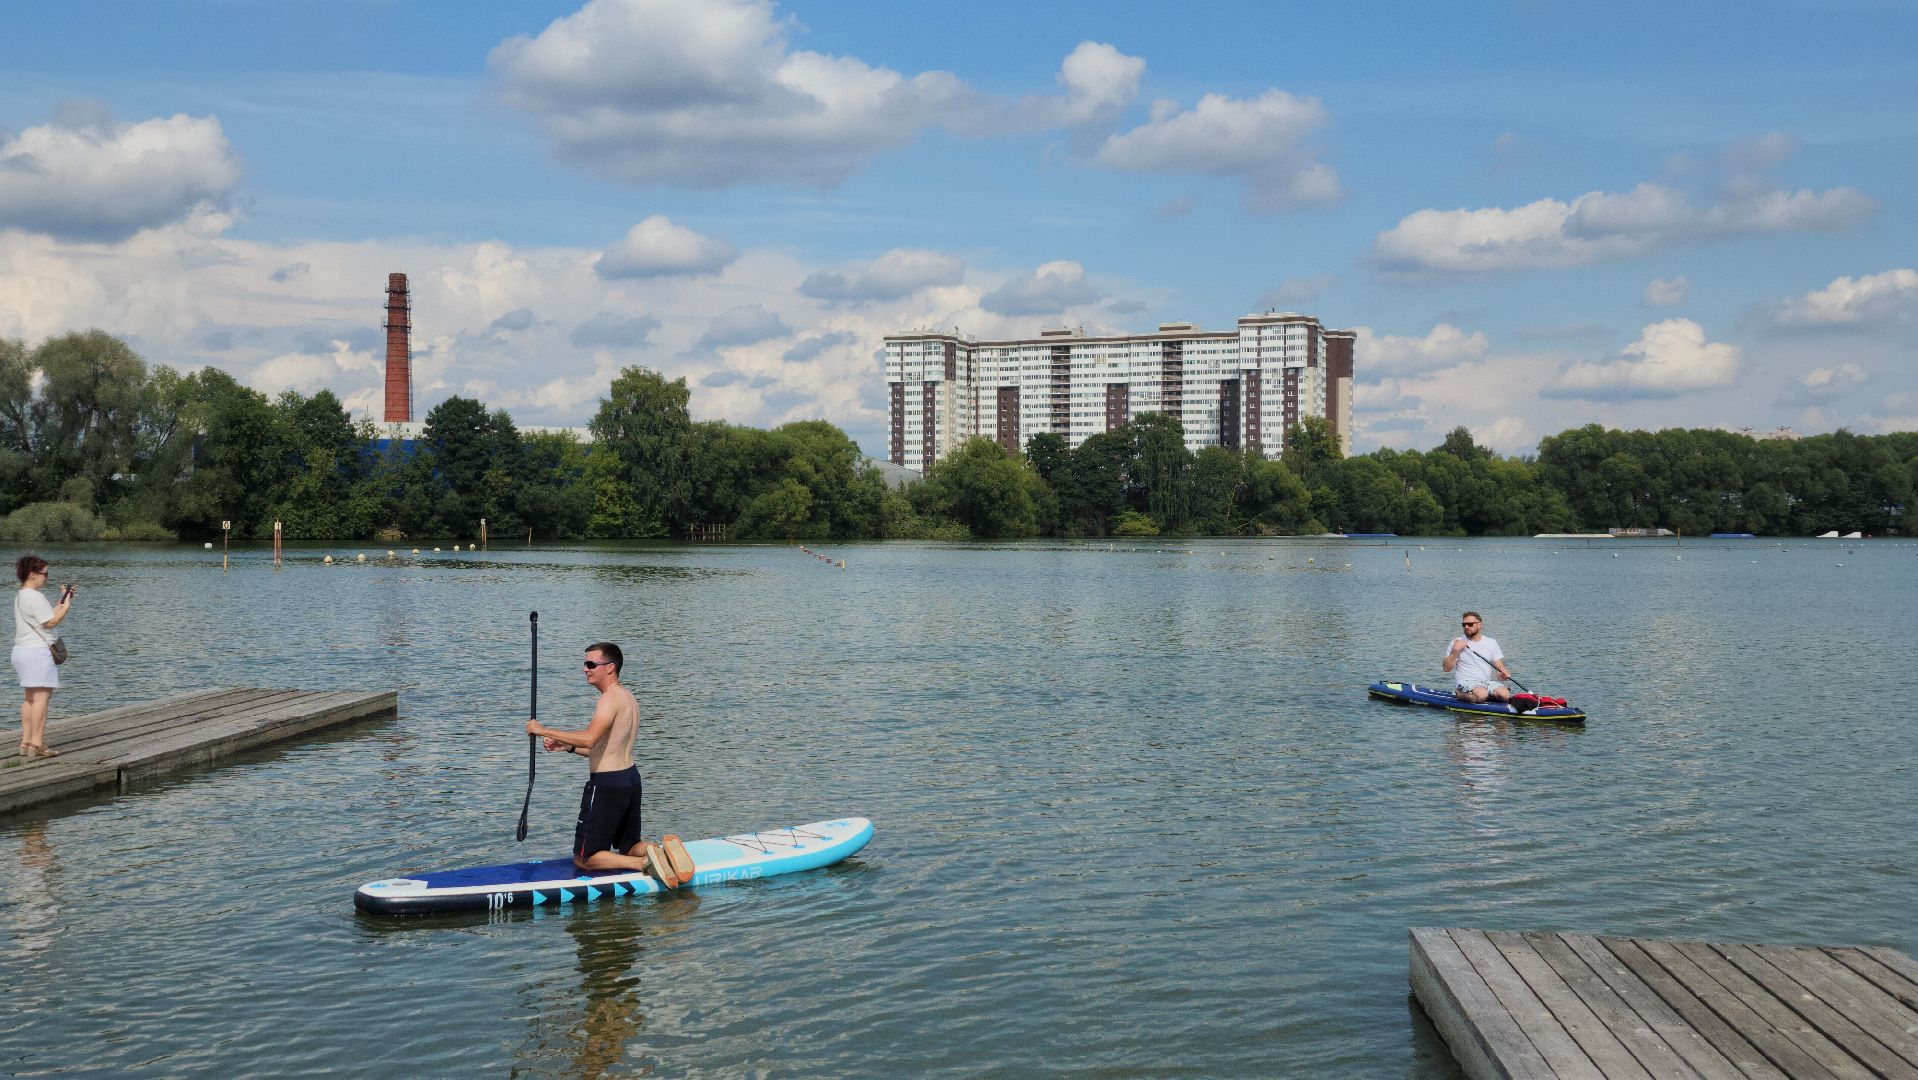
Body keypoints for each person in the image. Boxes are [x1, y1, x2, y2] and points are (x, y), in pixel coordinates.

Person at [526, 642, 692, 887]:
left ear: (611, 667)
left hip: (607, 785)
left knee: (585, 859)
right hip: (630, 779)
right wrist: (568, 747)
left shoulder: (609, 699)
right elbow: (604, 748)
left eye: (591, 664)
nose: (585, 669)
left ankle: (644, 864)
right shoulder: (628, 698)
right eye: (585, 664)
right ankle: (658, 851)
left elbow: (590, 738)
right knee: (630, 846)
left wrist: (541, 730)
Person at [13, 554, 75, 758]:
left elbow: (44, 616)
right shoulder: (35, 596)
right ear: (32, 575)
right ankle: (37, 744)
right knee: (41, 698)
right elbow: (50, 622)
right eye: (44, 574)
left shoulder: (21, 595)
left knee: (30, 698)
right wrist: (66, 607)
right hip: (37, 652)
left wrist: (63, 599)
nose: (46, 578)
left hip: (22, 651)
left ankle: (26, 742)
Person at [1443, 611, 1512, 704]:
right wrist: (1455, 650)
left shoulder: (1491, 642)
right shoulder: (1457, 642)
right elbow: (1446, 668)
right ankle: (1459, 693)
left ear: (1480, 625)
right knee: (1481, 695)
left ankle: (1488, 697)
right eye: (1464, 624)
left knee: (1505, 695)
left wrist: (1503, 673)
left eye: (1470, 624)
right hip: (1466, 682)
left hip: (1486, 683)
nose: (1466, 627)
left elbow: (1499, 667)